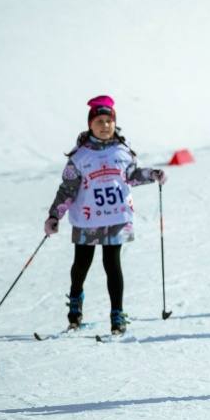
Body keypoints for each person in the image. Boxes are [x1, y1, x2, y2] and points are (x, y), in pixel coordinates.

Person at [44, 95, 166, 335]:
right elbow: (67, 190)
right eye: (99, 121)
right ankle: (75, 307)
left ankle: (117, 314)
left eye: (109, 121)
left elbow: (132, 175)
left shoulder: (123, 151)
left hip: (116, 219)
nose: (105, 125)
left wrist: (152, 174)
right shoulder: (80, 157)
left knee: (113, 265)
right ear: (90, 124)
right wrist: (54, 216)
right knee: (81, 264)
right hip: (87, 220)